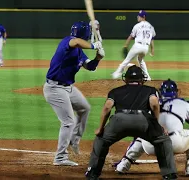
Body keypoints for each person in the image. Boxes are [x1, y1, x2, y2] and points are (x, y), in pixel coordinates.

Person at [85, 65, 177, 180]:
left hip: (119, 121)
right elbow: (154, 104)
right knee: (163, 140)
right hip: (143, 121)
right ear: (142, 79)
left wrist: (100, 128)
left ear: (126, 79)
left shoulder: (115, 91)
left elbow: (107, 108)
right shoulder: (150, 90)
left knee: (101, 140)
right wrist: (157, 125)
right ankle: (169, 174)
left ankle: (93, 173)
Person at [114, 79, 189, 177]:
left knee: (141, 134)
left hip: (150, 146)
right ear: (177, 92)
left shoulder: (148, 102)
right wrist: (184, 117)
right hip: (175, 144)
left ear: (160, 91)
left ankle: (123, 164)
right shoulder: (184, 104)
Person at [43, 21, 105, 166]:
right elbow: (75, 41)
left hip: (68, 88)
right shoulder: (68, 42)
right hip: (54, 89)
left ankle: (74, 140)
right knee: (68, 121)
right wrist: (93, 45)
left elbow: (89, 67)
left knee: (85, 108)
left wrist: (98, 58)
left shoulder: (78, 51)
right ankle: (60, 158)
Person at [112, 10, 155, 80]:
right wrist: (152, 49)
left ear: (143, 17)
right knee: (140, 60)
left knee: (127, 60)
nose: (138, 17)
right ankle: (147, 77)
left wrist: (125, 45)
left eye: (140, 16)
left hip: (137, 46)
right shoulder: (151, 27)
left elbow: (131, 37)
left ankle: (116, 74)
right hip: (145, 48)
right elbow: (152, 39)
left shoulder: (137, 26)